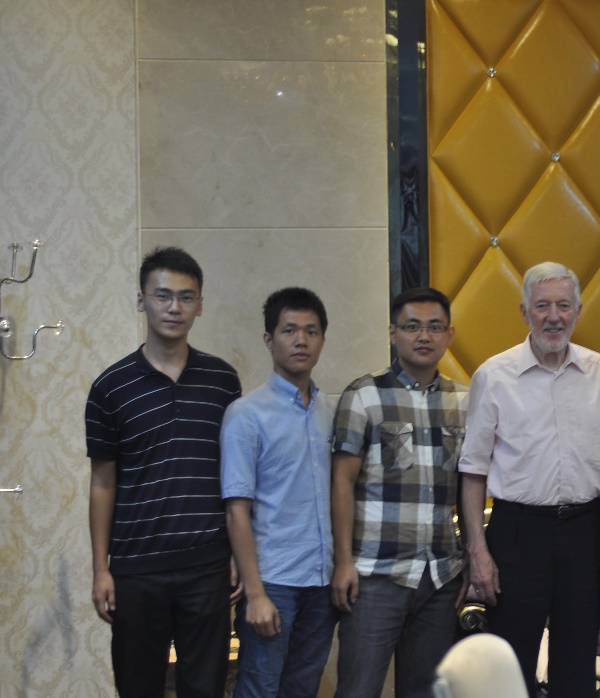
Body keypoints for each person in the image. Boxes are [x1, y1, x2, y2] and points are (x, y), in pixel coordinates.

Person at [459, 262, 600, 697]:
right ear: (524, 312)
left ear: (578, 311)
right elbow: (473, 472)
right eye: (542, 306)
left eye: (563, 306)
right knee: (511, 665)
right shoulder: (493, 376)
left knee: (578, 662)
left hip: (586, 530)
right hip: (517, 532)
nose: (554, 317)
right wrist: (478, 552)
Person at [86, 246, 242, 698]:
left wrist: (236, 554)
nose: (174, 307)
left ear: (200, 305)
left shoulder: (223, 381)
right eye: (162, 295)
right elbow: (102, 483)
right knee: (138, 687)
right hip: (136, 569)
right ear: (142, 301)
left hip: (207, 565)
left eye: (186, 297)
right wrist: (101, 569)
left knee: (206, 688)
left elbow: (236, 477)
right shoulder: (110, 387)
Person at [331, 287, 468, 698]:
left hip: (440, 576)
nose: (423, 336)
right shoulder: (364, 396)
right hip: (374, 576)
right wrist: (343, 562)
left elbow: (470, 485)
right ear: (393, 333)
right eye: (412, 327)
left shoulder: (464, 401)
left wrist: (469, 559)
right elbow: (341, 482)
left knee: (426, 692)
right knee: (358, 690)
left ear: (449, 335)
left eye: (435, 327)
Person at [220, 287, 337, 697]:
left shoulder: (333, 411)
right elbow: (236, 510)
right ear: (269, 340)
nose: (301, 340)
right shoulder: (246, 415)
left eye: (311, 331)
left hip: (322, 580)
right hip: (273, 581)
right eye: (289, 331)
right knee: (259, 688)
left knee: (303, 689)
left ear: (322, 339)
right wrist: (254, 594)